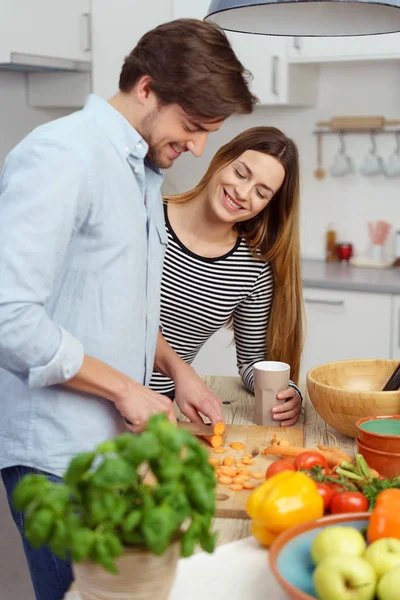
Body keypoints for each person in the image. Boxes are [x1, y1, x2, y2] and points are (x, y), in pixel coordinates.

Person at [0, 18, 256, 600]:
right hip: (57, 456)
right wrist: (124, 389)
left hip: (111, 447)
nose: (198, 148)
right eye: (193, 127)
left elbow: (116, 304)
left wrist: (176, 370)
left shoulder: (140, 169)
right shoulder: (62, 155)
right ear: (146, 88)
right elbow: (8, 316)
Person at [150, 127, 304, 426]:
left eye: (261, 192)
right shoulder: (146, 218)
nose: (243, 193)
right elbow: (121, 319)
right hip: (91, 398)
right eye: (241, 173)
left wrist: (287, 392)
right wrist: (183, 372)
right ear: (222, 159)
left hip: (158, 416)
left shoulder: (253, 269)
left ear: (268, 205)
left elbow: (252, 362)